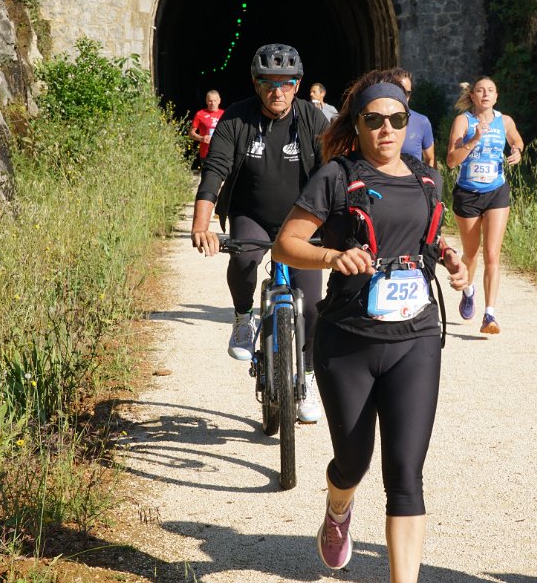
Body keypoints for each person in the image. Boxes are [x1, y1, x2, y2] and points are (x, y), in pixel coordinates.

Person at [271, 69, 468, 582]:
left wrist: (448, 256)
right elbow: (286, 245)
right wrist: (332, 257)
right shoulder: (336, 177)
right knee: (353, 462)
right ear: (356, 125)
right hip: (349, 342)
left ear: (409, 123)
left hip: (416, 338)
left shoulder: (427, 180)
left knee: (405, 473)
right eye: (374, 120)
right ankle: (338, 507)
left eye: (397, 120)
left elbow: (425, 239)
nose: (386, 129)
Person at [191, 44, 330, 424]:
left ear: (297, 85)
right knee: (244, 258)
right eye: (268, 83)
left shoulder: (313, 121)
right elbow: (214, 171)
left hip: (301, 220)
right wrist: (201, 225)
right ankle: (242, 319)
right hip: (250, 213)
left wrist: (341, 225)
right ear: (256, 84)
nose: (277, 91)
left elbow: (334, 172)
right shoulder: (236, 118)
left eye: (285, 83)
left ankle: (309, 377)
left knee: (314, 305)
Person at [445, 76, 524, 334]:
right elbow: (451, 161)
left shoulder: (505, 121)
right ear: (473, 96)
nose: (486, 94)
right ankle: (469, 291)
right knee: (471, 254)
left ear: (496, 96)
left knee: (492, 254)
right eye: (480, 90)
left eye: (490, 90)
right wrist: (474, 139)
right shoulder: (464, 121)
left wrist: (517, 151)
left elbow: (517, 140)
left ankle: (490, 315)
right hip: (467, 194)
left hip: (496, 192)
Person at [390, 67, 436, 167]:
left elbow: (430, 159)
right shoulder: (377, 122)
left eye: (408, 93)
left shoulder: (421, 122)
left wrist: (427, 176)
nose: (404, 96)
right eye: (401, 91)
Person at [189, 90, 224, 168]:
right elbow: (191, 133)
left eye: (215, 100)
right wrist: (202, 138)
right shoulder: (200, 114)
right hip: (206, 154)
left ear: (219, 101)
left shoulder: (225, 114)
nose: (212, 103)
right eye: (210, 101)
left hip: (221, 153)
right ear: (206, 101)